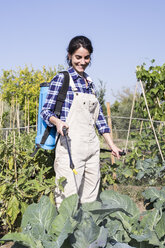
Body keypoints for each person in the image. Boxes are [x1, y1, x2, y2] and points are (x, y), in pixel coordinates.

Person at [40, 35, 122, 207]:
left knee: (90, 199)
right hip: (70, 146)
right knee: (68, 200)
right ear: (69, 55)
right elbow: (45, 111)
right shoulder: (62, 79)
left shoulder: (89, 83)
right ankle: (66, 234)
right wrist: (58, 122)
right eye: (78, 57)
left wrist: (112, 145)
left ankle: (87, 233)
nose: (82, 62)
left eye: (86, 57)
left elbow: (99, 119)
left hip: (92, 148)